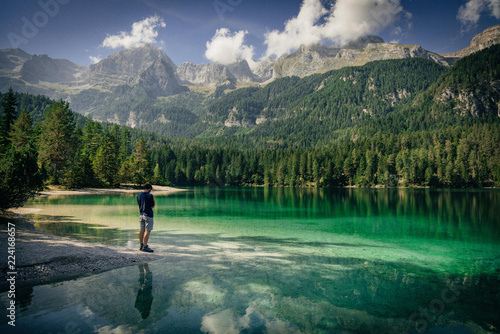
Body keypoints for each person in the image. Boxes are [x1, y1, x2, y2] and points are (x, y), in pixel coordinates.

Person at [137, 183, 155, 252]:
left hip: (141, 214)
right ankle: (145, 246)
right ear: (150, 189)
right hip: (148, 215)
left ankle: (141, 245)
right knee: (148, 230)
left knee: (142, 230)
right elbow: (152, 205)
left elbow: (139, 204)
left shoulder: (139, 195)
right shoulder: (150, 195)